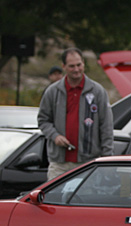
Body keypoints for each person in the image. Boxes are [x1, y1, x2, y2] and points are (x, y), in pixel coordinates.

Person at [37, 47, 113, 180]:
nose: (76, 69)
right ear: (64, 66)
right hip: (59, 163)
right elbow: (43, 120)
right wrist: (55, 136)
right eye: (72, 66)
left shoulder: (98, 91)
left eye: (79, 65)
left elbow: (106, 126)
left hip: (89, 162)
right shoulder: (52, 92)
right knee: (55, 200)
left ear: (83, 63)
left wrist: (107, 159)